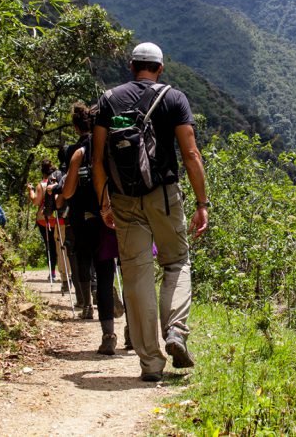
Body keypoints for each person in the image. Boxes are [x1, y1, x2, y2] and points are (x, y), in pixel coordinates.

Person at [92, 41, 209, 382]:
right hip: (164, 196)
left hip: (124, 199)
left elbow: (97, 158)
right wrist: (202, 203)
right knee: (176, 261)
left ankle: (150, 364)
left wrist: (104, 203)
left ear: (131, 66)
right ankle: (175, 330)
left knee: (136, 275)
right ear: (160, 69)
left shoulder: (108, 100)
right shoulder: (174, 98)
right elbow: (191, 155)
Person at [56, 102, 118, 354]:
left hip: (90, 221)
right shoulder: (111, 147)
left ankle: (108, 335)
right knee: (117, 273)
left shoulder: (78, 152)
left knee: (96, 270)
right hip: (117, 217)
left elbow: (68, 191)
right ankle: (132, 333)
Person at [27, 159, 69, 285]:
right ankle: (63, 271)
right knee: (59, 244)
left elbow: (35, 201)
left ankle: (52, 272)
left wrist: (30, 190)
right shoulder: (58, 181)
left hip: (44, 219)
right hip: (57, 219)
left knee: (49, 245)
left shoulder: (41, 185)